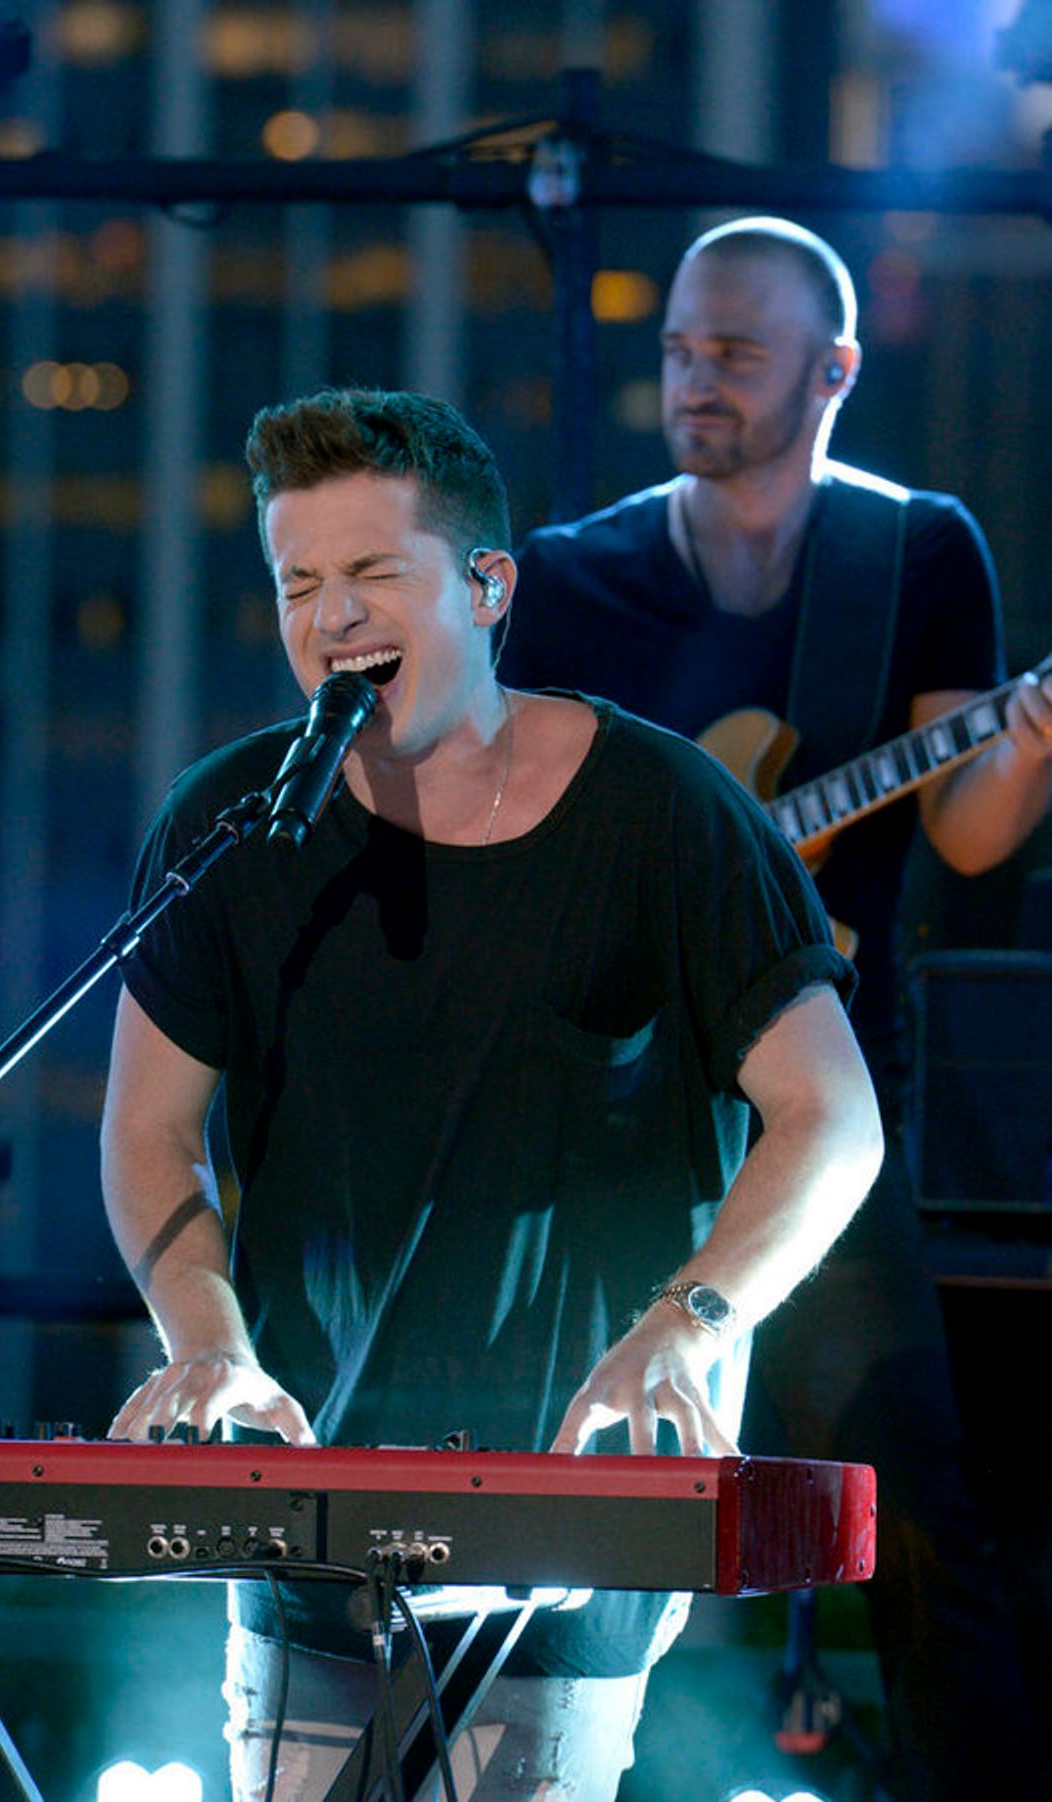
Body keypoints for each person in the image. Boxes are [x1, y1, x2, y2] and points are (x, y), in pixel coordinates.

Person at [100, 386, 882, 1802]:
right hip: (308, 1516)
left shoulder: (664, 812)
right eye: (299, 584)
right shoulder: (229, 830)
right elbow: (150, 1133)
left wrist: (689, 1319)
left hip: (570, 1511)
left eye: (371, 575)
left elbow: (836, 1117)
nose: (332, 619)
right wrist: (206, 1338)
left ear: (489, 584)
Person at [499, 217, 1052, 1800]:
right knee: (559, 1485)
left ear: (834, 370)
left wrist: (1030, 741)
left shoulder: (916, 551)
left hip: (818, 1099)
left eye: (736, 352)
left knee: (915, 1496)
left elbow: (965, 831)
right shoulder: (575, 575)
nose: (697, 378)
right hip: (603, 1103)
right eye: (680, 347)